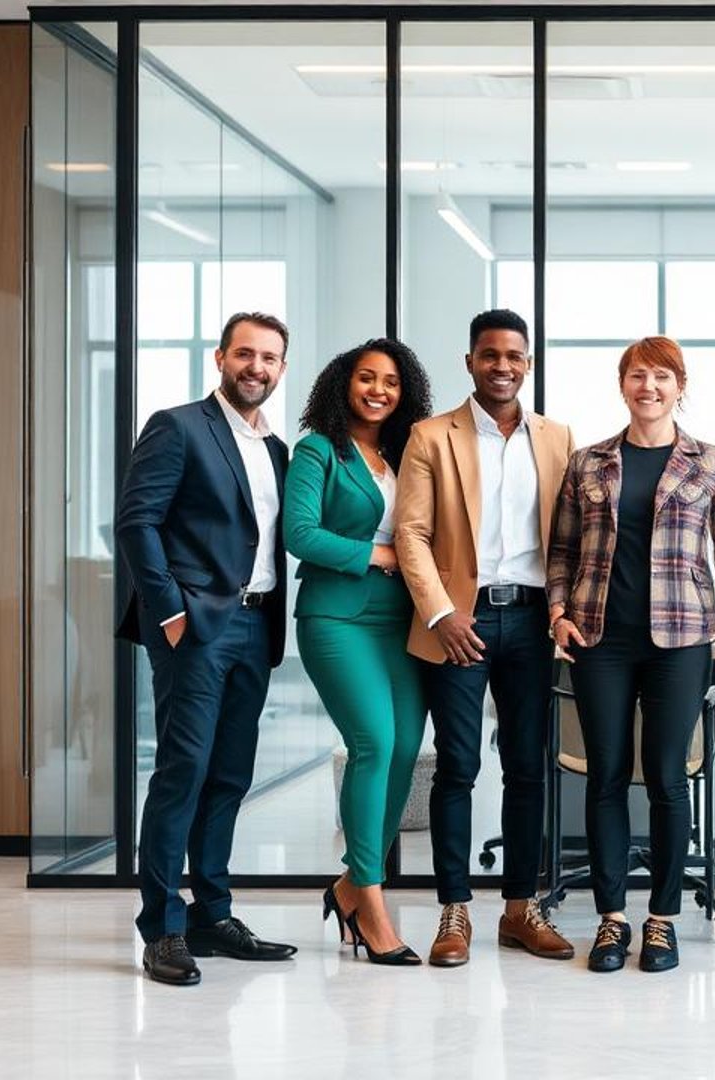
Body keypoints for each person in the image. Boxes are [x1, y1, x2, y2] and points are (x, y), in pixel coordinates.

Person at [547, 335, 715, 974]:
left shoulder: (711, 462)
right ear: (623, 385)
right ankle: (612, 919)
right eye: (638, 375)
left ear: (679, 387)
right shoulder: (588, 462)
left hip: (682, 639)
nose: (650, 387)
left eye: (663, 377)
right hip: (600, 637)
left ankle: (662, 919)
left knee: (668, 777)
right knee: (607, 774)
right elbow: (561, 550)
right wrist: (557, 612)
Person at [116, 312, 299, 986]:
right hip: (196, 628)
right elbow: (137, 521)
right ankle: (162, 927)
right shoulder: (179, 426)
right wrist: (169, 611)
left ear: (282, 368)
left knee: (229, 776)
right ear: (221, 358)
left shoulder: (278, 450)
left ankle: (212, 916)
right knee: (183, 771)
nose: (256, 367)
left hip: (256, 626)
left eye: (269, 358)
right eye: (245, 354)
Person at [394, 309, 577, 967]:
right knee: (458, 765)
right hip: (459, 622)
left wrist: (565, 611)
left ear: (528, 364)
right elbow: (411, 533)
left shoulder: (557, 438)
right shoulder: (430, 436)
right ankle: (454, 911)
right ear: (470, 361)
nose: (503, 366)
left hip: (532, 622)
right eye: (490, 355)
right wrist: (442, 613)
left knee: (529, 767)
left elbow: (570, 536)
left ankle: (520, 910)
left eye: (514, 356)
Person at [284, 338, 432, 966]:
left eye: (391, 382)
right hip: (337, 616)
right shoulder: (318, 449)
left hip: (401, 619)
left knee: (405, 747)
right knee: (373, 741)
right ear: (344, 383)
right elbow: (299, 533)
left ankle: (348, 888)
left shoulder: (404, 454)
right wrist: (378, 554)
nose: (379, 390)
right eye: (367, 378)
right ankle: (370, 898)